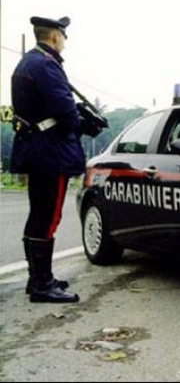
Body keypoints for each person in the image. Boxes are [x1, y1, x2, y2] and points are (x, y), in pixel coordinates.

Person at [10, 15, 89, 303]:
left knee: (39, 215)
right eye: (63, 35)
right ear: (55, 35)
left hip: (36, 148)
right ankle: (42, 284)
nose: (65, 41)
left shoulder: (29, 62)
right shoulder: (46, 65)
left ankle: (38, 279)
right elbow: (64, 108)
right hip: (50, 151)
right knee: (48, 216)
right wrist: (82, 124)